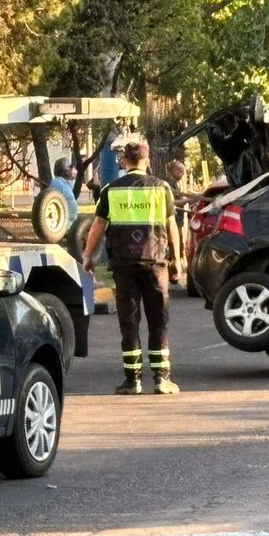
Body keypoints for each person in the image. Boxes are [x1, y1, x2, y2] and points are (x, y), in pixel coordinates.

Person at [82, 141, 183, 395]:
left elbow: (97, 227)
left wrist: (88, 256)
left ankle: (132, 380)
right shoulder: (161, 189)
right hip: (156, 263)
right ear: (148, 161)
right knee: (158, 320)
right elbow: (172, 227)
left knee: (129, 322)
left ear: (124, 162)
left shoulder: (110, 190)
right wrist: (178, 262)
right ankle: (162, 379)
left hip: (124, 265)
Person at [49, 158, 80, 225]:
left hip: (70, 224)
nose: (73, 168)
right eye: (71, 166)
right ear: (66, 171)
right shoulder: (57, 183)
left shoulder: (66, 183)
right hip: (63, 226)